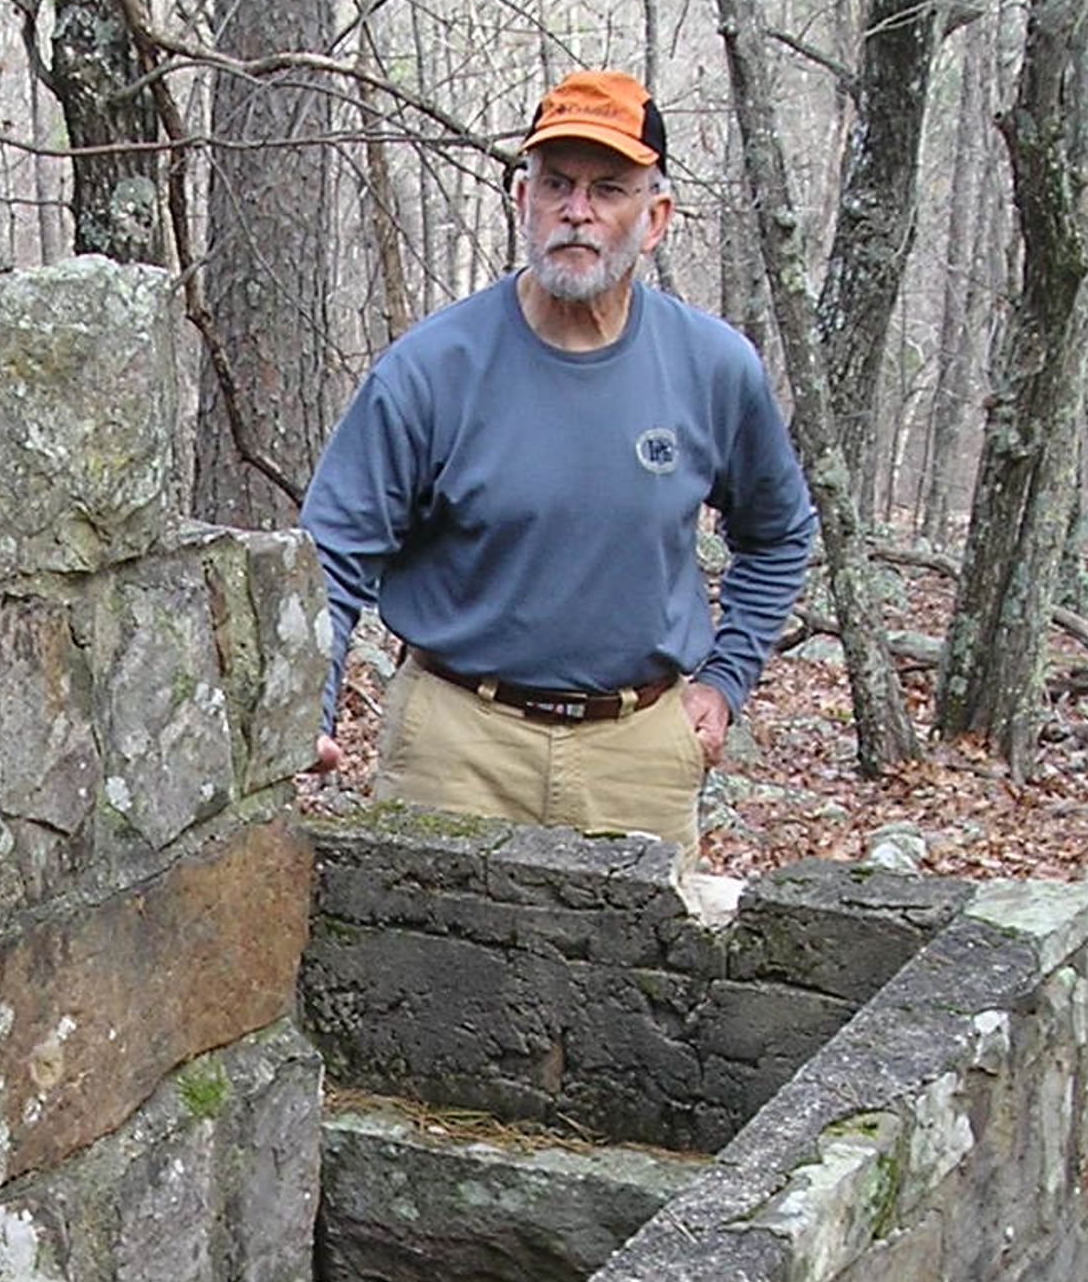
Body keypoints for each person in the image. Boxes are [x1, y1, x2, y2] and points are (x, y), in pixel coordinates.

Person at [299, 69, 819, 849]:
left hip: (638, 751)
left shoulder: (713, 367)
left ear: (655, 218)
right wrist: (312, 701)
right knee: (422, 969)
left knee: (641, 973)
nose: (577, 212)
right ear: (522, 200)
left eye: (609, 188)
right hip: (455, 743)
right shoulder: (432, 369)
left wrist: (725, 678)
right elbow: (332, 552)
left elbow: (779, 533)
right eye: (557, 185)